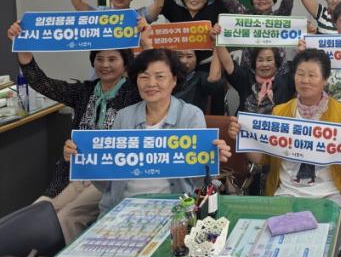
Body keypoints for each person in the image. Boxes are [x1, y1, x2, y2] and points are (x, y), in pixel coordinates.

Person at [7, 21, 143, 243]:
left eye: (112, 59)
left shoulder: (134, 92)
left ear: (125, 63)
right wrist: (24, 51)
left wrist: (145, 39)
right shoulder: (84, 91)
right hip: (74, 171)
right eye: (99, 59)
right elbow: (44, 84)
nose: (105, 65)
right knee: (38, 211)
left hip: (109, 176)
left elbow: (154, 74)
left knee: (67, 217)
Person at [227, 49, 341, 246]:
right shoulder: (280, 111)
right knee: (278, 240)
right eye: (300, 74)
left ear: (325, 79)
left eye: (312, 75)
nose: (305, 80)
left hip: (331, 192)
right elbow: (262, 159)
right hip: (288, 190)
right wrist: (242, 137)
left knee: (324, 241)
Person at [64, 49, 232, 216]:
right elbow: (108, 182)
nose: (151, 83)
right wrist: (82, 159)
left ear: (174, 80)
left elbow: (199, 180)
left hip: (174, 210)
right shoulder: (124, 116)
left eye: (160, 76)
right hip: (122, 208)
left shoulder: (190, 115)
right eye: (144, 77)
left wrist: (211, 159)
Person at [213, 24, 295, 114]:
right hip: (243, 123)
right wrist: (217, 38)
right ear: (254, 63)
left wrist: (303, 47)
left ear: (276, 62)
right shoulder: (245, 77)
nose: (264, 64)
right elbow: (228, 64)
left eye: (269, 60)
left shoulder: (286, 80)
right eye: (260, 60)